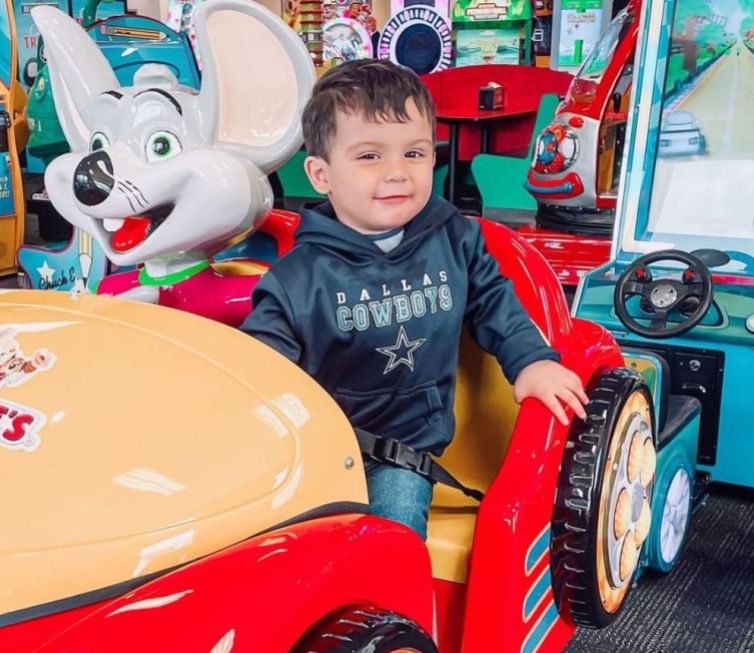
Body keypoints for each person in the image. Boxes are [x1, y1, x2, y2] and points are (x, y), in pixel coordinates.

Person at [241, 59, 588, 539]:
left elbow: (494, 302)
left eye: (414, 153)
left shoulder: (455, 238)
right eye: (369, 156)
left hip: (403, 452)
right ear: (321, 175)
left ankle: (397, 615)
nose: (396, 173)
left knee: (394, 537)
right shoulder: (296, 280)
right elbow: (261, 374)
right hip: (316, 456)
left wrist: (531, 361)